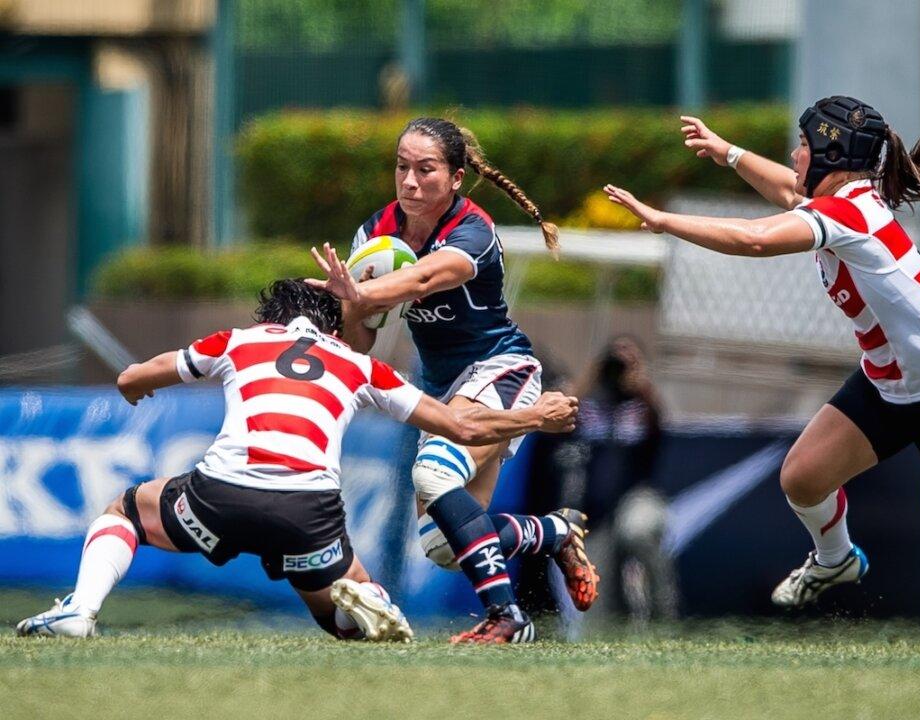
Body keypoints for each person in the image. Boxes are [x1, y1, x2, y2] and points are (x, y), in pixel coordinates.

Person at [603, 96, 920, 652]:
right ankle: (836, 558)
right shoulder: (845, 202)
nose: (796, 155)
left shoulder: (849, 215)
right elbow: (785, 190)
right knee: (802, 478)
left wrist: (663, 222)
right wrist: (728, 153)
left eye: (804, 145)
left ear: (833, 154)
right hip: (888, 385)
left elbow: (754, 239)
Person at [16, 279, 578, 641]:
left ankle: (80, 610)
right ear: (333, 326)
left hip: (221, 496)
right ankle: (365, 600)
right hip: (309, 513)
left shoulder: (239, 339)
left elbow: (133, 377)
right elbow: (462, 426)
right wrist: (535, 416)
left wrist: (136, 386)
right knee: (337, 617)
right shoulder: (360, 365)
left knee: (126, 510)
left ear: (272, 317)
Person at [307, 117, 600, 644]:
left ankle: (508, 617)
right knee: (444, 546)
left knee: (433, 473)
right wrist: (352, 311)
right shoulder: (375, 233)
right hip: (446, 390)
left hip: (501, 368)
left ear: (456, 178)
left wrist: (359, 292)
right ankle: (554, 531)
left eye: (426, 170)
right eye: (402, 167)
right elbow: (361, 342)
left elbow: (423, 277)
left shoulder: (473, 231)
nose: (410, 181)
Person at [574, 336, 677, 623]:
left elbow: (660, 424)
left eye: (629, 361)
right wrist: (593, 374)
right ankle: (615, 627)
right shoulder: (589, 405)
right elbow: (560, 421)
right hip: (595, 508)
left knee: (637, 531)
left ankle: (663, 615)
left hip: (638, 496)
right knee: (596, 601)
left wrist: (641, 382)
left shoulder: (643, 406)